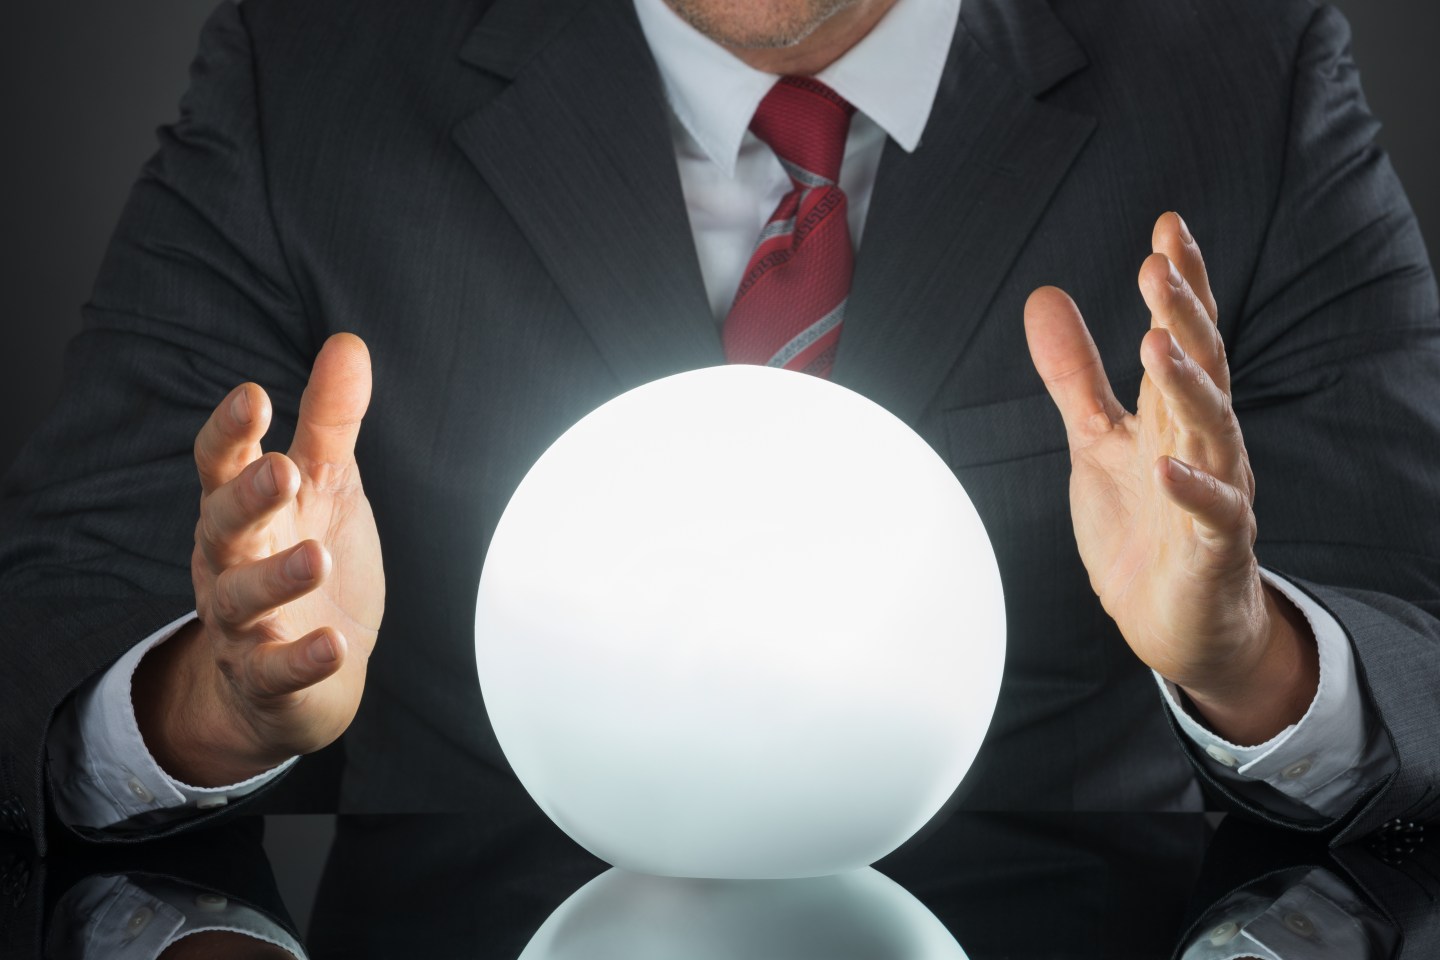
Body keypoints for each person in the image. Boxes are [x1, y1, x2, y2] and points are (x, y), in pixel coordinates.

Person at [1, 0, 1436, 851]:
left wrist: (1255, 662)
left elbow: (1416, 622)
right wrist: (218, 699)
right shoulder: (314, 69)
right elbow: (58, 619)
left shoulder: (1243, 68)